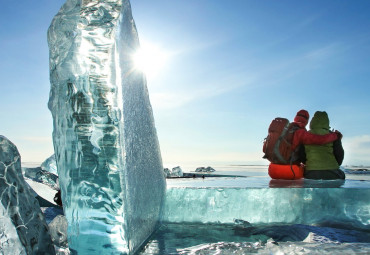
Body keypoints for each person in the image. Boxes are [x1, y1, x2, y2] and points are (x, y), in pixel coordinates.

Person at [268, 109, 341, 179]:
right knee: (305, 172)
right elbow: (319, 140)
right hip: (291, 171)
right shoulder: (301, 132)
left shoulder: (286, 129)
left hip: (272, 170)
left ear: (295, 117)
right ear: (306, 121)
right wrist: (335, 136)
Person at [304, 111, 345, 180]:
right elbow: (339, 156)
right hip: (333, 173)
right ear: (327, 122)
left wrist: (311, 164)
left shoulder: (305, 136)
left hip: (311, 173)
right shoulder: (334, 136)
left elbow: (302, 155)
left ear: (312, 121)